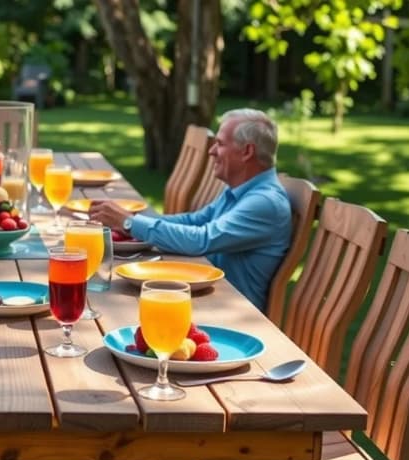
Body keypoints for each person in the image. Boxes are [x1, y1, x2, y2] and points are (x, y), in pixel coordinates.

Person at [90, 108, 291, 312]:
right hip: (207, 295)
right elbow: (194, 221)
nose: (211, 151)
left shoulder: (264, 202)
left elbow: (201, 240)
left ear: (247, 152)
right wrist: (134, 220)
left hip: (230, 310)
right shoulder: (241, 190)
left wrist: (129, 223)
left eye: (220, 144)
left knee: (107, 299)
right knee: (109, 292)